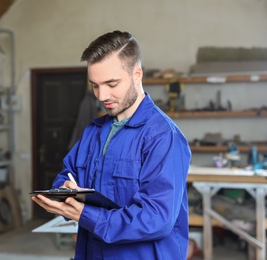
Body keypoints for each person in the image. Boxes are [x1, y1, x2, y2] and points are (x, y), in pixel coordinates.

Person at [32, 30, 191, 259]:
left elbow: (156, 219)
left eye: (111, 84)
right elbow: (66, 175)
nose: (101, 95)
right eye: (95, 85)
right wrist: (64, 195)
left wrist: (86, 213)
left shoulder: (163, 137)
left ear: (137, 75)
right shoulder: (93, 131)